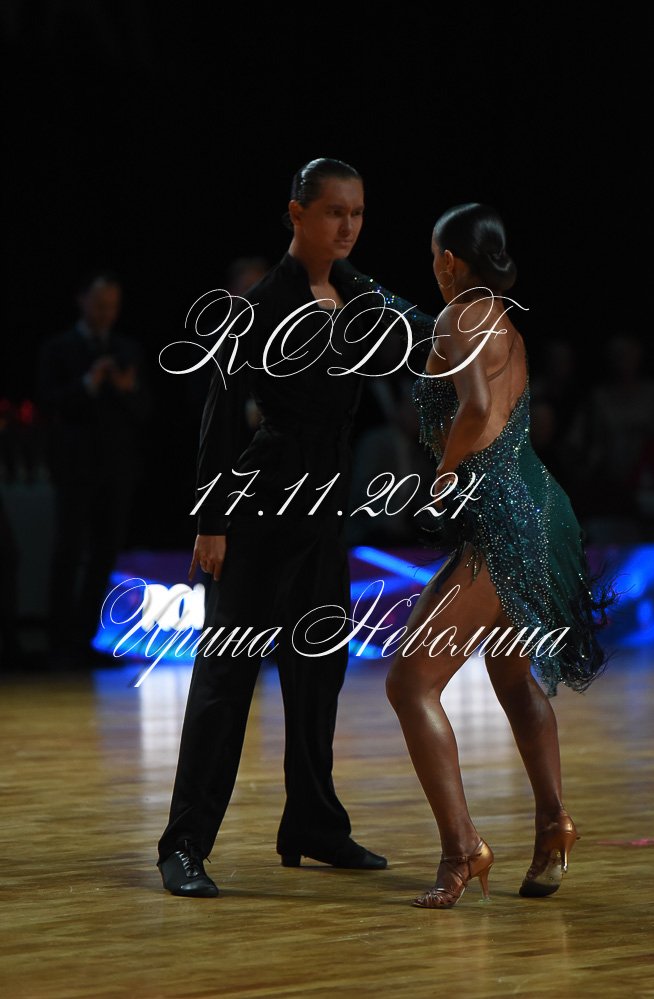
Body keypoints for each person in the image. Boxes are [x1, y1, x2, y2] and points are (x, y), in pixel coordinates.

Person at [156, 157, 432, 897]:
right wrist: (211, 520)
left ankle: (313, 823)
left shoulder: (359, 293)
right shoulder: (256, 306)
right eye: (335, 211)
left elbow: (424, 337)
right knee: (226, 679)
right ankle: (184, 843)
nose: (348, 226)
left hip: (325, 507)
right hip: (260, 506)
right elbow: (219, 417)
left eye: (358, 213)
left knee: (319, 673)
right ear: (297, 213)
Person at [386, 204, 615, 909]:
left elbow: (479, 410)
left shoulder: (458, 317)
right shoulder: (504, 322)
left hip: (503, 519)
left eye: (434, 255)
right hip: (542, 506)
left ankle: (462, 849)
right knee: (512, 677)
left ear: (449, 260)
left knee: (410, 684)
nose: (433, 266)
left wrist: (442, 474)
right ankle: (553, 825)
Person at [37, 271, 152, 663]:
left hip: (116, 469)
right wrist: (88, 383)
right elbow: (48, 401)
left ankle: (87, 639)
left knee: (105, 553)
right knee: (68, 551)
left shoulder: (127, 349)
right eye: (100, 305)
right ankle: (59, 643)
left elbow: (145, 411)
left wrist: (126, 388)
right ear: (82, 300)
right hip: (75, 467)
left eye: (113, 306)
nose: (107, 313)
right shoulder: (58, 349)